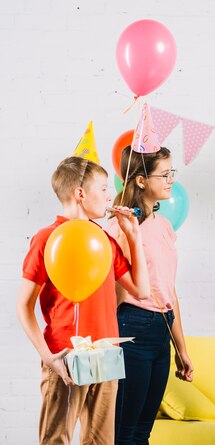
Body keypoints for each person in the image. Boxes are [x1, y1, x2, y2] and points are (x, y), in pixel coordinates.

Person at [16, 156, 150, 445]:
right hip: (64, 356)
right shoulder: (46, 239)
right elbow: (23, 306)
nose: (109, 196)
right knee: (56, 439)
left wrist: (133, 234)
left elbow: (142, 291)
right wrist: (48, 357)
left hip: (107, 352)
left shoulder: (104, 239)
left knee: (101, 441)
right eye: (103, 188)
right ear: (80, 193)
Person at [106, 146, 193, 445]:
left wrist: (181, 349)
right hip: (133, 329)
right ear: (141, 180)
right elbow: (114, 292)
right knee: (125, 431)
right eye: (164, 174)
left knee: (144, 430)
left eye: (172, 173)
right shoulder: (122, 228)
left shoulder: (165, 226)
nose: (171, 180)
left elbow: (169, 291)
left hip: (161, 330)